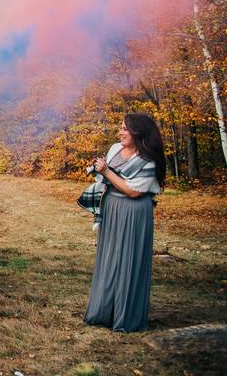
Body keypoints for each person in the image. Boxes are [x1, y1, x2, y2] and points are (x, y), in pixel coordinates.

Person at [80, 113, 165, 332]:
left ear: (138, 132)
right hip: (112, 207)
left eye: (125, 129)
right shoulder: (115, 149)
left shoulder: (148, 160)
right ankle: (103, 312)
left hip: (134, 211)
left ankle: (125, 317)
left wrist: (106, 171)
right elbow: (109, 178)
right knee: (109, 257)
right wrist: (100, 170)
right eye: (121, 128)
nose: (120, 132)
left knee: (129, 258)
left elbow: (133, 191)